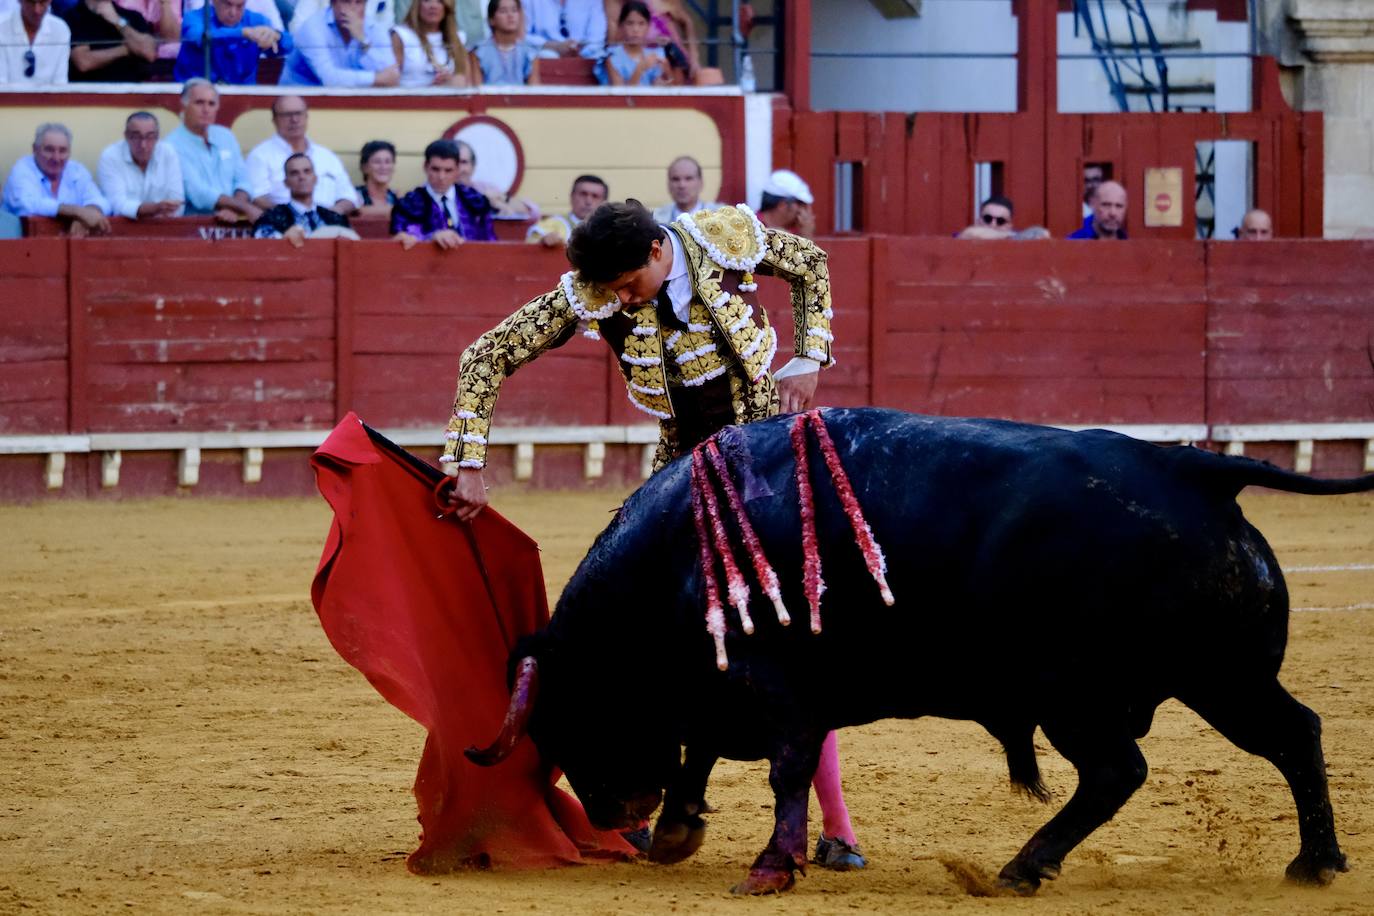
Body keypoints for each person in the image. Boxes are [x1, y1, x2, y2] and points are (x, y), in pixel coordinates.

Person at [438, 199, 866, 870]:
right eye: (608, 291)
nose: (617, 299)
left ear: (658, 254)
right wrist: (466, 464)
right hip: (680, 479)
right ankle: (641, 799)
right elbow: (485, 355)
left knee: (792, 638)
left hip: (768, 465)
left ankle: (838, 828)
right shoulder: (594, 290)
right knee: (648, 638)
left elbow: (810, 263)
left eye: (627, 286)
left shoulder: (723, 240)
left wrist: (810, 355)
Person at [164, 78, 261, 223]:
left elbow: (243, 180)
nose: (206, 109)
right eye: (199, 103)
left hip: (233, 218)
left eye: (211, 104)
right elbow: (197, 193)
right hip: (193, 224)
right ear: (183, 106)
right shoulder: (171, 145)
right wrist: (245, 207)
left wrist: (232, 209)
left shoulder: (226, 136)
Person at [245, 96, 359, 215]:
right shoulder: (260, 155)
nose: (294, 119)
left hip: (328, 226)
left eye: (299, 113)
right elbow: (257, 197)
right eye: (287, 115)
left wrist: (330, 215)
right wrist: (294, 215)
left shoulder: (326, 156)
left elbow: (349, 197)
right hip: (284, 226)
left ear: (306, 117)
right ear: (274, 120)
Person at [2, 122, 111, 236]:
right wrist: (78, 212)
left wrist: (89, 213)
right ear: (35, 149)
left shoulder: (76, 170)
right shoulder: (22, 169)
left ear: (69, 152)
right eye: (49, 150)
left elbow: (101, 201)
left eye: (63, 151)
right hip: (21, 245)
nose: (56, 158)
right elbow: (27, 204)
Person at [280, 0, 400, 86]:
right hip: (298, 100)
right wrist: (377, 78)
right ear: (332, 3)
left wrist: (363, 40)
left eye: (358, 2)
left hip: (346, 102)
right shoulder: (312, 28)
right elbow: (329, 79)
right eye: (346, 1)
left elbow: (391, 74)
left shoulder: (374, 28)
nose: (352, 8)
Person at [390, 137, 481, 249]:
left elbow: (488, 240)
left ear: (457, 169)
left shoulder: (475, 200)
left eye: (448, 170)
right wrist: (431, 237)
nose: (441, 177)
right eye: (435, 169)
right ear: (425, 167)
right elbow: (404, 238)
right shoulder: (408, 204)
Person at [174, 0, 290, 84]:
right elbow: (199, 37)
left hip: (243, 95)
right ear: (214, 2)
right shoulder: (194, 18)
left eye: (239, 6)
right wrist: (242, 33)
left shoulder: (256, 20)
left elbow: (290, 44)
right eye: (228, 4)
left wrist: (277, 37)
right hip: (197, 94)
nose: (233, 13)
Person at [252, 153, 355, 246]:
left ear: (315, 178)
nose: (302, 177)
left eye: (307, 171)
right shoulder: (271, 217)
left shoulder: (334, 218)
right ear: (286, 182)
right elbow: (264, 249)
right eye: (294, 173)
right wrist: (283, 240)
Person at [96, 110, 184, 219]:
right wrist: (154, 208)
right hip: (124, 227)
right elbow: (116, 204)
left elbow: (177, 201)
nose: (143, 145)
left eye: (150, 137)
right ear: (126, 136)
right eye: (136, 136)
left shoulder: (168, 153)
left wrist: (159, 212)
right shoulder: (110, 156)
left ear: (157, 137)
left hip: (163, 223)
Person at [65, 0, 158, 81]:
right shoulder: (72, 16)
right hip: (88, 94)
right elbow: (83, 62)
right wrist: (126, 49)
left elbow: (149, 53)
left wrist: (117, 21)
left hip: (130, 93)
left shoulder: (134, 17)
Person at [391, 0, 470, 86]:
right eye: (427, 0)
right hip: (408, 97)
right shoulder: (401, 35)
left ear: (447, 7)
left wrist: (451, 81)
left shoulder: (458, 38)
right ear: (417, 5)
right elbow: (390, 80)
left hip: (446, 98)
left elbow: (468, 83)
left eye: (439, 1)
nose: (433, 6)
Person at [596, 0, 668, 86]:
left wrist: (667, 72)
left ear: (648, 27)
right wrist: (640, 69)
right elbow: (622, 96)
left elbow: (659, 89)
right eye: (630, 23)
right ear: (621, 26)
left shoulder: (653, 55)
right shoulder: (612, 58)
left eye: (641, 24)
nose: (635, 30)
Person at [525, 173, 606, 247]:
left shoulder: (610, 229)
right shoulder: (554, 223)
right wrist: (542, 241)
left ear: (604, 203)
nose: (588, 201)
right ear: (572, 196)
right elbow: (530, 245)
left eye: (595, 196)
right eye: (583, 194)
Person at [0, 0, 70, 84]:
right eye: (31, 2)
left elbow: (60, 83)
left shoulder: (61, 30)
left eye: (42, 2)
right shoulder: (1, 27)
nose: (37, 10)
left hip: (48, 96)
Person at [468, 0, 537, 85]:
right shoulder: (479, 52)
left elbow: (535, 90)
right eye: (503, 11)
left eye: (514, 10)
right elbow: (476, 92)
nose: (510, 16)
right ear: (491, 20)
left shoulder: (529, 51)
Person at [522, 0, 602, 58]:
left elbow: (596, 40)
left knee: (598, 57)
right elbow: (521, 35)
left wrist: (578, 51)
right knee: (548, 56)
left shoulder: (594, 2)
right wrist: (551, 46)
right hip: (544, 52)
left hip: (584, 54)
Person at [650, 155, 715, 223]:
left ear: (701, 183)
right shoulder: (655, 219)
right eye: (675, 179)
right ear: (668, 184)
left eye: (688, 178)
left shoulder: (719, 218)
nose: (682, 185)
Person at [755, 168, 814, 237]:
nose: (803, 210)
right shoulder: (751, 227)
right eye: (800, 203)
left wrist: (806, 235)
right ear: (782, 205)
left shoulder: (797, 229)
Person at [355, 139, 397, 217]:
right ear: (364, 167)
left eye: (387, 162)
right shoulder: (354, 195)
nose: (383, 167)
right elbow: (357, 211)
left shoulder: (395, 198)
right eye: (377, 162)